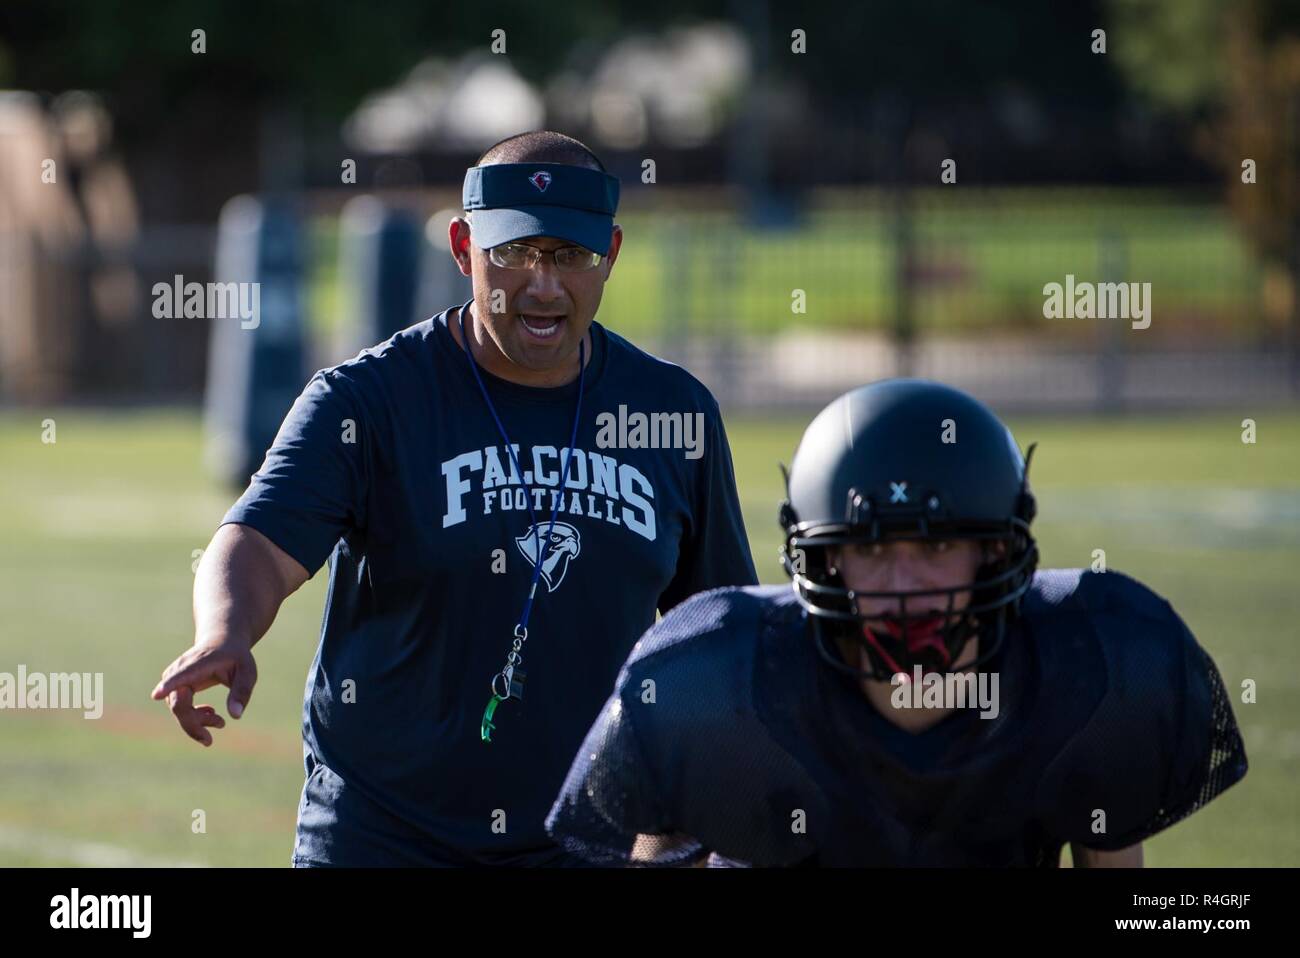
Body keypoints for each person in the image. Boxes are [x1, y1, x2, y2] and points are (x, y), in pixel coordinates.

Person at [151, 130, 758, 866]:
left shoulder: (672, 415)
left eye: (570, 256)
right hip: (384, 835)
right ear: (465, 247)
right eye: (514, 254)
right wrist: (225, 632)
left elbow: (717, 633)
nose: (542, 284)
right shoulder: (370, 399)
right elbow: (259, 541)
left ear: (612, 254)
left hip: (582, 841)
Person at [546, 379, 1248, 867]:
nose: (905, 585)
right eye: (873, 551)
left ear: (998, 552)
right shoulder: (716, 681)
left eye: (938, 547)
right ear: (822, 561)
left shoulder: (1099, 666)